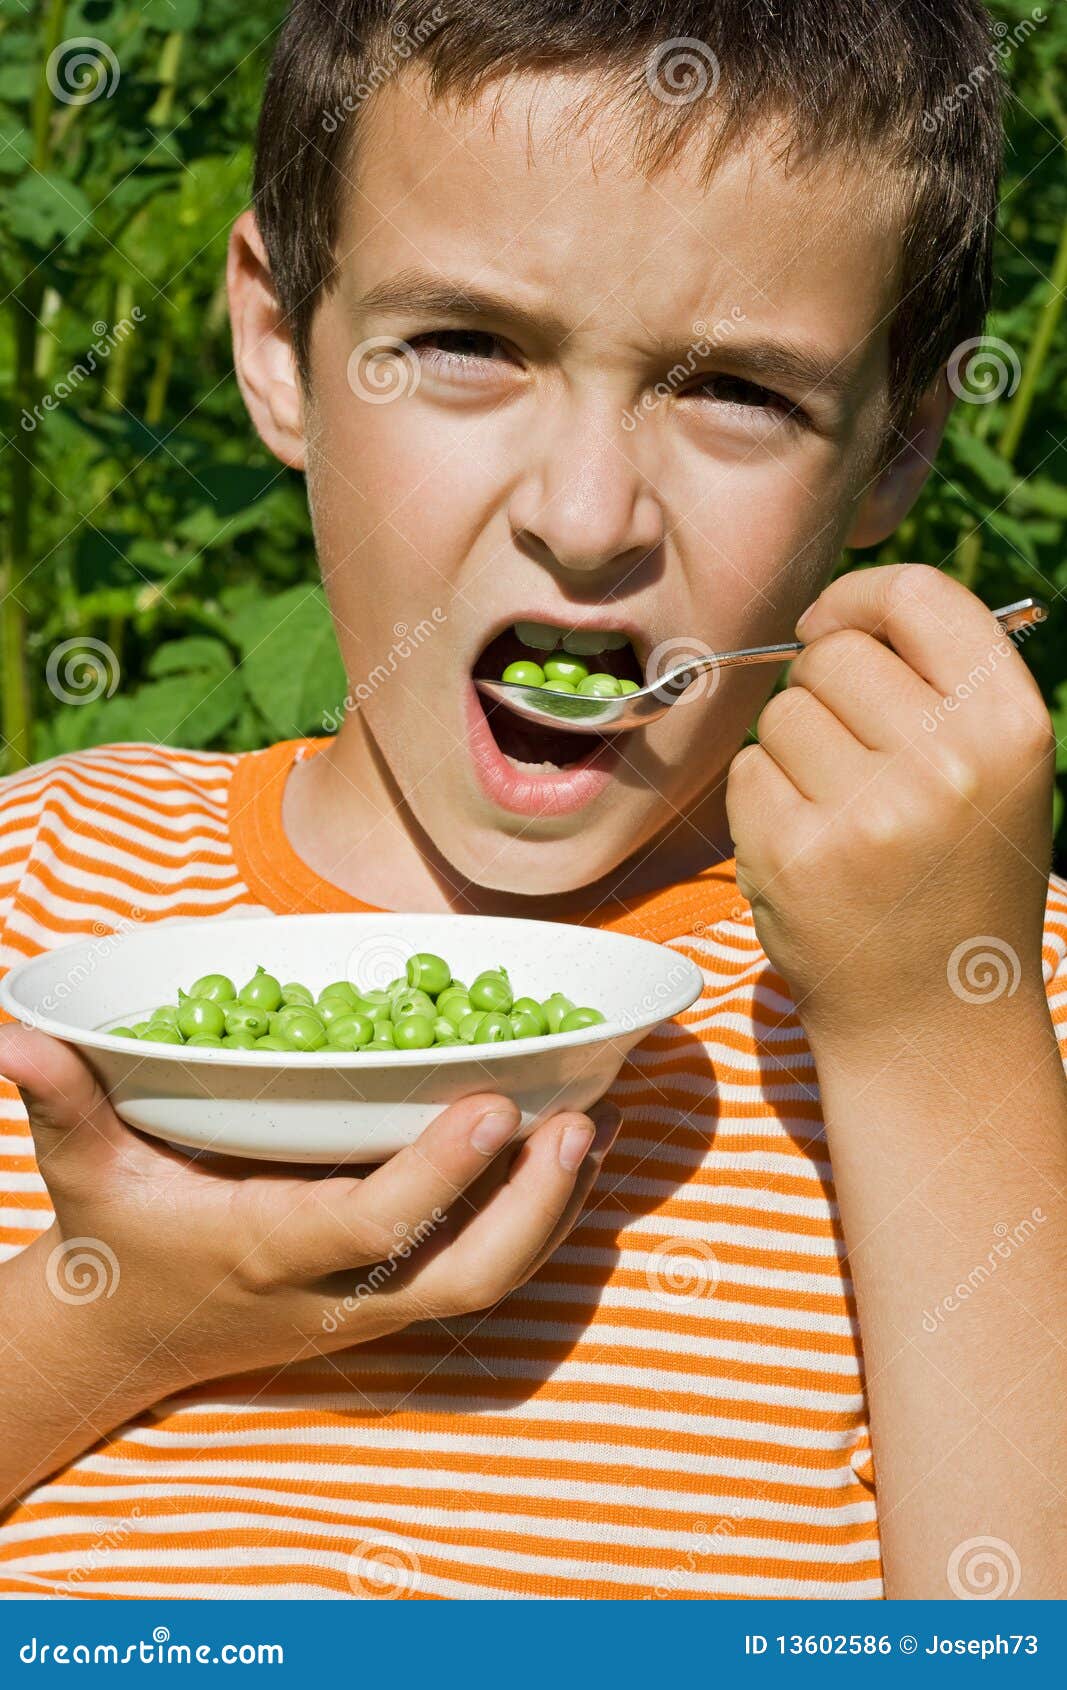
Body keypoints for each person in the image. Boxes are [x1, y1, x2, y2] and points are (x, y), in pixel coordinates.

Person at [0, 0, 1063, 1600]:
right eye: (470, 345)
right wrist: (110, 1314)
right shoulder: (35, 886)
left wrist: (928, 1026)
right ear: (281, 347)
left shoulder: (998, 992)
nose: (584, 517)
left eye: (737, 391)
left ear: (900, 442)